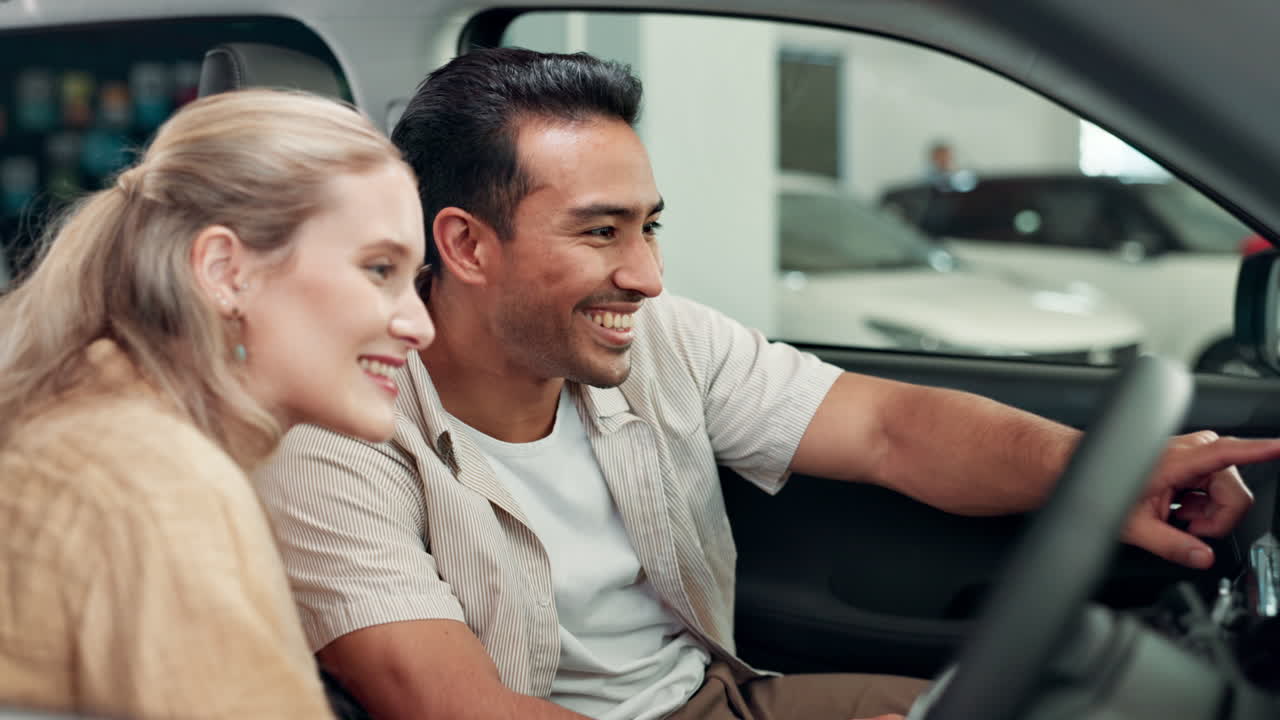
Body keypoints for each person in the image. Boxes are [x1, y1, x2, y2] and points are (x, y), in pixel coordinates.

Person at [255, 49, 1280, 720]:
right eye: (600, 231)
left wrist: (1098, 472)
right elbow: (451, 709)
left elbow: (888, 428)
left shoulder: (656, 341)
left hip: (723, 695)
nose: (646, 275)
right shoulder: (338, 433)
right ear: (466, 245)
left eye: (647, 225)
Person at [0, 88, 434, 719]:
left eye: (414, 281)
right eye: (378, 270)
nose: (420, 326)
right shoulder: (158, 480)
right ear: (226, 272)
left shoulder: (93, 424)